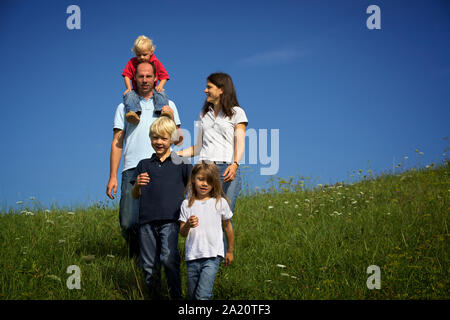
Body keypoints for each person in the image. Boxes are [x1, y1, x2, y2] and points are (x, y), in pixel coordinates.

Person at [106, 60, 183, 259]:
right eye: (140, 76)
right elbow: (117, 142)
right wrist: (112, 176)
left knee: (159, 220)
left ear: (156, 77)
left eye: (149, 76)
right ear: (134, 78)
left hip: (161, 166)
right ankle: (137, 256)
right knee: (128, 221)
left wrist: (172, 118)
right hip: (132, 168)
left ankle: (151, 262)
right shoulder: (124, 107)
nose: (145, 80)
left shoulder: (168, 104)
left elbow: (178, 139)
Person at [131, 115, 191, 300]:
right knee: (149, 266)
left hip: (172, 220)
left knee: (168, 258)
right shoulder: (143, 164)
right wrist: (137, 185)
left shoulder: (181, 163)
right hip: (147, 221)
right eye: (155, 138)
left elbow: (193, 188)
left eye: (163, 138)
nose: (158, 142)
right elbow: (135, 195)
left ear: (172, 140)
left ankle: (176, 297)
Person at [177, 72, 248, 215]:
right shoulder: (203, 115)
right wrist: (174, 154)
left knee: (223, 217)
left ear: (221, 89)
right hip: (204, 169)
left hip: (227, 169)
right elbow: (198, 148)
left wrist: (234, 164)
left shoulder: (237, 113)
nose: (205, 90)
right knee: (202, 216)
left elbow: (240, 143)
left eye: (209, 87)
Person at [179, 162, 234, 300]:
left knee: (202, 296)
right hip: (192, 257)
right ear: (193, 179)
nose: (204, 184)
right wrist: (188, 225)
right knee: (192, 297)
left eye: (209, 181)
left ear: (215, 183)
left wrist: (230, 251)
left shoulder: (220, 203)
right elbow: (182, 233)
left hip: (212, 256)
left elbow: (227, 227)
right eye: (201, 179)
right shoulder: (186, 204)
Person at [122, 35, 171, 125]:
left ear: (151, 52)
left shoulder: (155, 62)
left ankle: (162, 111)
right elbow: (126, 75)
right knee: (129, 95)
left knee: (161, 94)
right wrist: (128, 88)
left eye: (144, 55)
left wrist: (160, 86)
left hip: (152, 89)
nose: (142, 57)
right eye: (138, 55)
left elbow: (164, 76)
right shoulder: (132, 62)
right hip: (137, 90)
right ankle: (133, 113)